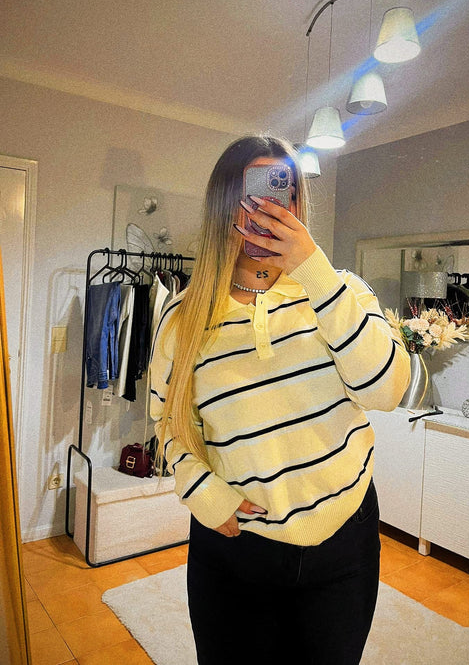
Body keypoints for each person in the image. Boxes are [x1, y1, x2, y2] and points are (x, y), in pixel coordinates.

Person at [150, 135, 410, 665]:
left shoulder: (342, 292)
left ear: (297, 205)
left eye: (280, 194)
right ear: (223, 206)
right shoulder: (182, 317)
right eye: (250, 194)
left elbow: (386, 391)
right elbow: (167, 422)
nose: (265, 209)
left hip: (345, 542)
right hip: (234, 547)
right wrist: (201, 489)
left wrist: (313, 270)